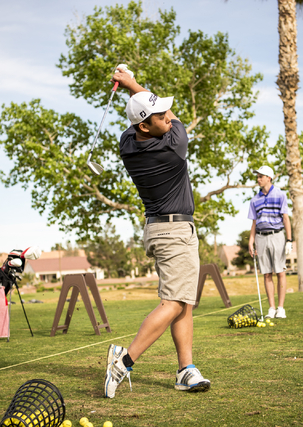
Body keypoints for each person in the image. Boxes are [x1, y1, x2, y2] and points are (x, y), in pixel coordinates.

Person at [103, 65, 211, 399]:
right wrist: (132, 82)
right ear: (146, 125)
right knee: (174, 302)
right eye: (159, 114)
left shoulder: (127, 145)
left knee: (184, 302)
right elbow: (174, 122)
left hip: (157, 229)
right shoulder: (173, 146)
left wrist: (131, 91)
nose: (167, 115)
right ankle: (125, 359)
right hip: (175, 231)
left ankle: (185, 370)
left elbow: (143, 121)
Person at [247, 165, 293, 319]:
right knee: (266, 273)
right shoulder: (255, 200)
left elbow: (285, 218)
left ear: (269, 178)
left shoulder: (280, 195)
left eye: (261, 176)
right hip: (260, 237)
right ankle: (271, 308)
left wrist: (289, 240)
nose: (258, 179)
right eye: (257, 176)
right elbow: (254, 223)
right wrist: (251, 242)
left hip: (277, 235)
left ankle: (281, 308)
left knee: (280, 272)